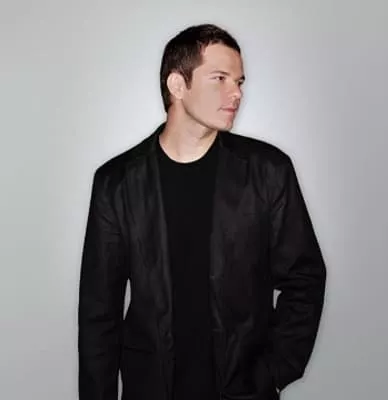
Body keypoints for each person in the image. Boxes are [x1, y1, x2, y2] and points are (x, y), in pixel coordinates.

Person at [77, 23, 326, 400]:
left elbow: (304, 277)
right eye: (220, 78)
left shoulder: (268, 171)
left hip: (243, 391)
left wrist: (274, 372)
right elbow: (99, 315)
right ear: (178, 85)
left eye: (239, 82)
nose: (236, 93)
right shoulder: (117, 183)